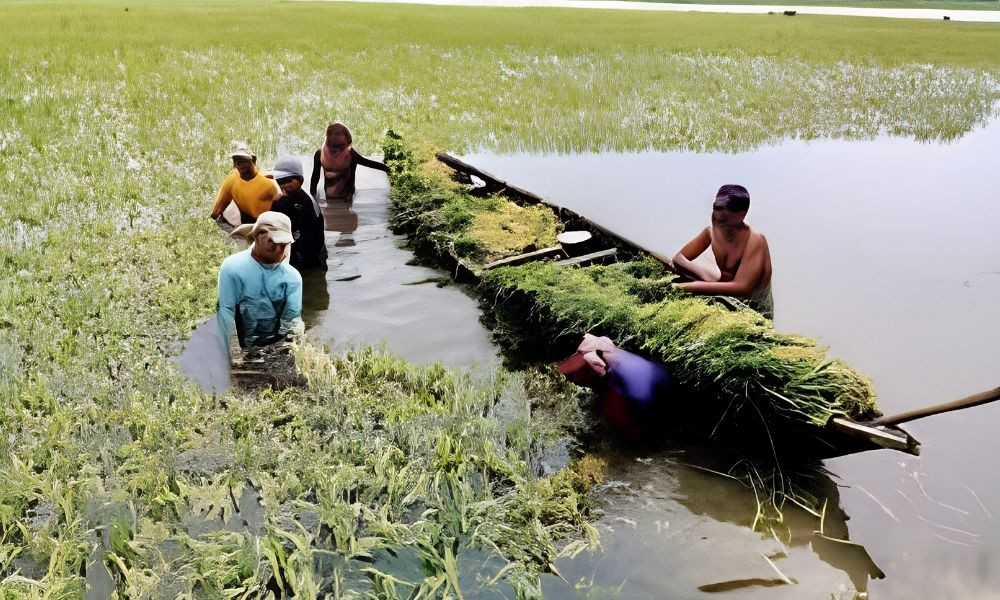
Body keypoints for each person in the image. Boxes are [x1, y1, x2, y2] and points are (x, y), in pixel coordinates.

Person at [671, 184, 774, 319]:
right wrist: (704, 277)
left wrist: (692, 286)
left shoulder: (755, 240)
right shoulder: (711, 233)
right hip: (724, 294)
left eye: (724, 217)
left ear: (741, 216)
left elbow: (742, 288)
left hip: (754, 309)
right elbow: (678, 258)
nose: (717, 219)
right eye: (716, 209)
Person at [217, 211, 303, 358]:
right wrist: (228, 355)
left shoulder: (292, 278)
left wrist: (286, 351)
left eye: (282, 244)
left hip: (275, 346)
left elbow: (292, 319)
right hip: (246, 342)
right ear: (257, 235)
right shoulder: (232, 268)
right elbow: (225, 312)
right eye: (272, 241)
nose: (277, 248)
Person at [270, 155, 328, 271]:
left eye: (287, 180)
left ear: (300, 180)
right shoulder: (279, 201)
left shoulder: (308, 203)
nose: (283, 185)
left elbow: (313, 240)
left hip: (310, 262)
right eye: (279, 181)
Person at [309, 122, 389, 203]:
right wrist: (314, 197)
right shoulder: (320, 154)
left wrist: (387, 169)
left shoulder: (350, 154)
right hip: (330, 198)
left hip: (347, 197)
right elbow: (315, 177)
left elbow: (368, 163)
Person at [210, 144, 282, 224]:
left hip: (267, 223)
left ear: (253, 160)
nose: (238, 165)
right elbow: (215, 213)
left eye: (242, 161)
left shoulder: (270, 184)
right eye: (236, 161)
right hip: (246, 222)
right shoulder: (233, 179)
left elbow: (280, 202)